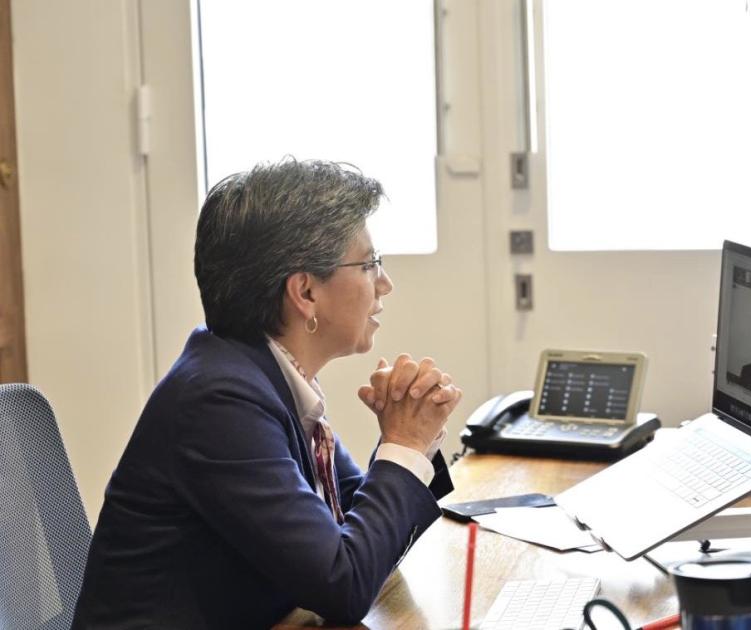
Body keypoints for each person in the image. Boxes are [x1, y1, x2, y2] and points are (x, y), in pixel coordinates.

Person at [72, 159, 462, 628]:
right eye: (369, 264)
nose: (385, 283)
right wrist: (404, 445)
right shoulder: (218, 402)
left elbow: (356, 535)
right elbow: (344, 583)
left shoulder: (260, 375)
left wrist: (412, 437)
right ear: (305, 292)